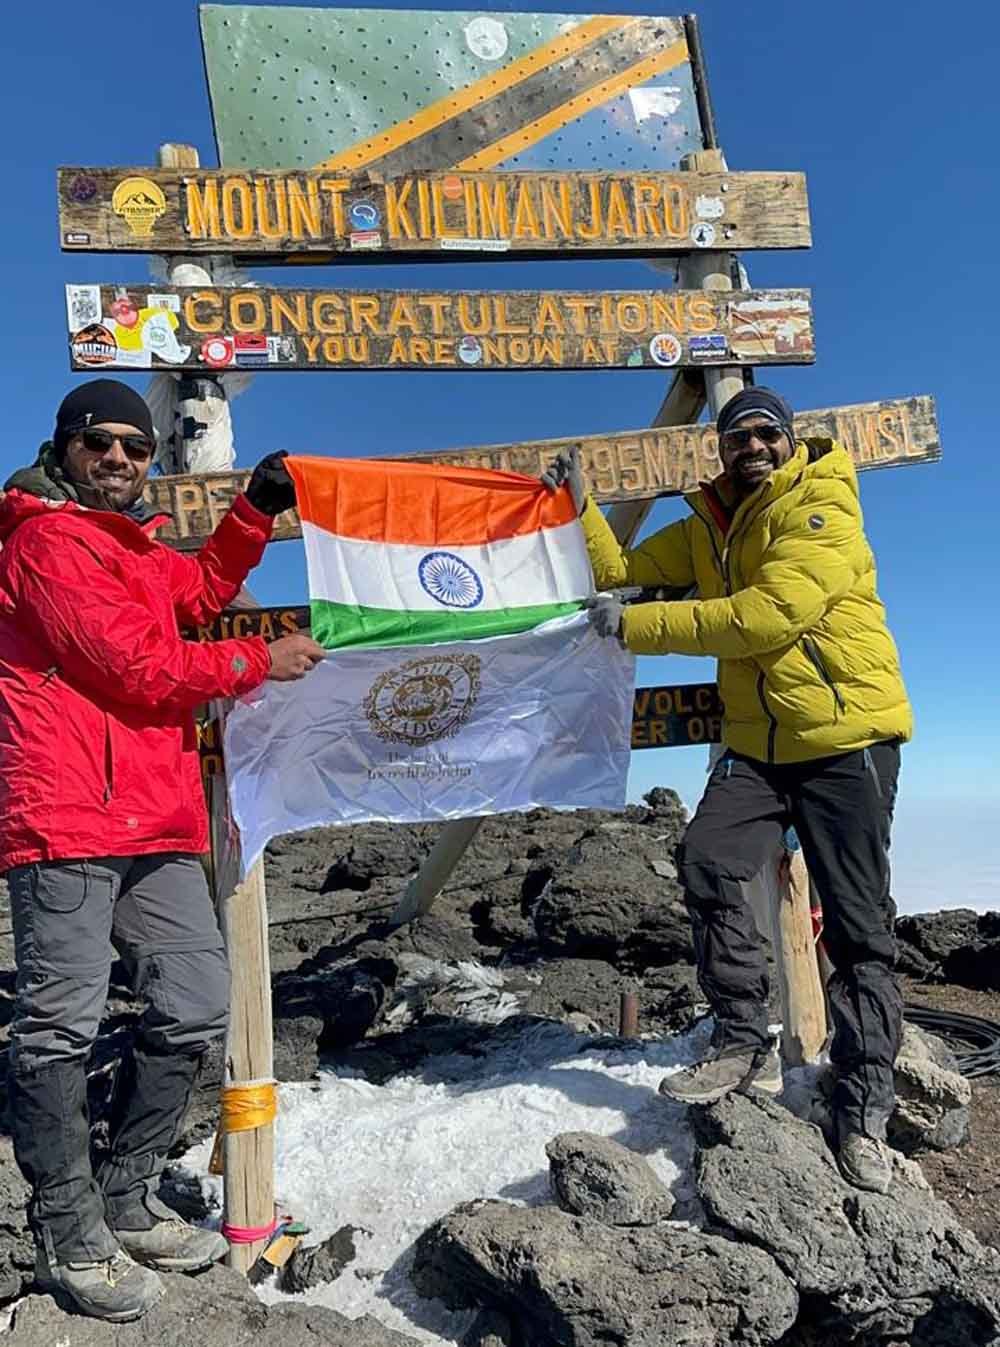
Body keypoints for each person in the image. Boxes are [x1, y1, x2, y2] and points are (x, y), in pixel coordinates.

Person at [0, 379, 325, 1321]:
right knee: (58, 1026)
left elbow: (203, 590)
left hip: (158, 819)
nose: (119, 458)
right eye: (99, 441)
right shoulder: (42, 544)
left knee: (194, 1001)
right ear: (63, 447)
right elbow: (135, 665)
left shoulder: (140, 548)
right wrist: (258, 660)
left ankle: (126, 1194)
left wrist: (255, 510)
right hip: (66, 817)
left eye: (135, 447)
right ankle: (69, 1231)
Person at [542, 386, 911, 1195]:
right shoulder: (710, 525)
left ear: (788, 440)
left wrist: (632, 627)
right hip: (759, 747)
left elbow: (764, 618)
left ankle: (863, 1107)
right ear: (722, 449)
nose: (752, 446)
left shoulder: (821, 507)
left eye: (765, 432)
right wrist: (582, 506)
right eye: (737, 436)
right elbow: (621, 573)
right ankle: (741, 1035)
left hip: (845, 741)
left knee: (857, 930)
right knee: (708, 857)